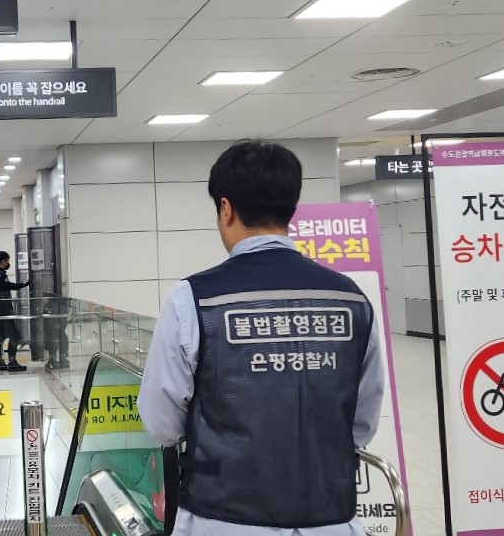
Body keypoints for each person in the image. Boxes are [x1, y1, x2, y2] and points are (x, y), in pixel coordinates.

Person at [138, 140, 383, 535]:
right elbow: (362, 421)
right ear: (291, 206)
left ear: (226, 208)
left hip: (224, 516)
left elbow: (162, 423)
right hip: (329, 515)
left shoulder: (194, 299)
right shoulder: (350, 298)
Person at [0, 251, 29, 372]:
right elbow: (9, 286)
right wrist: (24, 284)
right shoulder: (1, 275)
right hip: (4, 310)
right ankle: (12, 361)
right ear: (3, 261)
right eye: (7, 261)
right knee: (15, 335)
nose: (8, 263)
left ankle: (0, 361)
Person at [41, 293, 69, 372]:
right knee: (56, 337)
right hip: (57, 316)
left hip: (57, 316)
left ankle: (58, 358)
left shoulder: (56, 298)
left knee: (57, 337)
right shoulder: (56, 298)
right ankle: (57, 358)